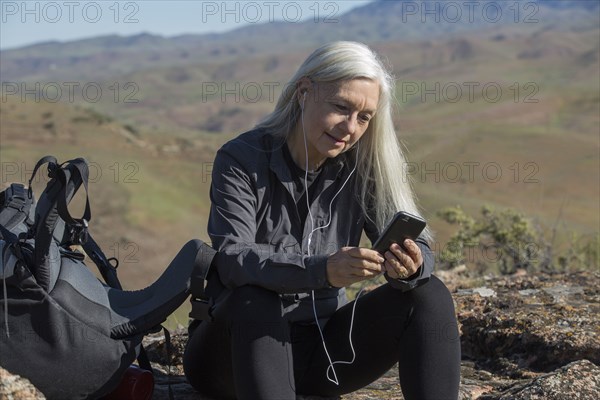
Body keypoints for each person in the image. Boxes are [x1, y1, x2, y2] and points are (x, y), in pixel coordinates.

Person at [183, 41, 461, 400]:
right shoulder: (241, 158)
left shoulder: (363, 167)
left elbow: (418, 247)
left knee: (428, 295)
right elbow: (233, 259)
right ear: (304, 92)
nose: (350, 127)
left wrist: (412, 263)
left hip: (322, 354)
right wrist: (322, 271)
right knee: (256, 298)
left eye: (364, 117)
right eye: (341, 107)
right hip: (235, 354)